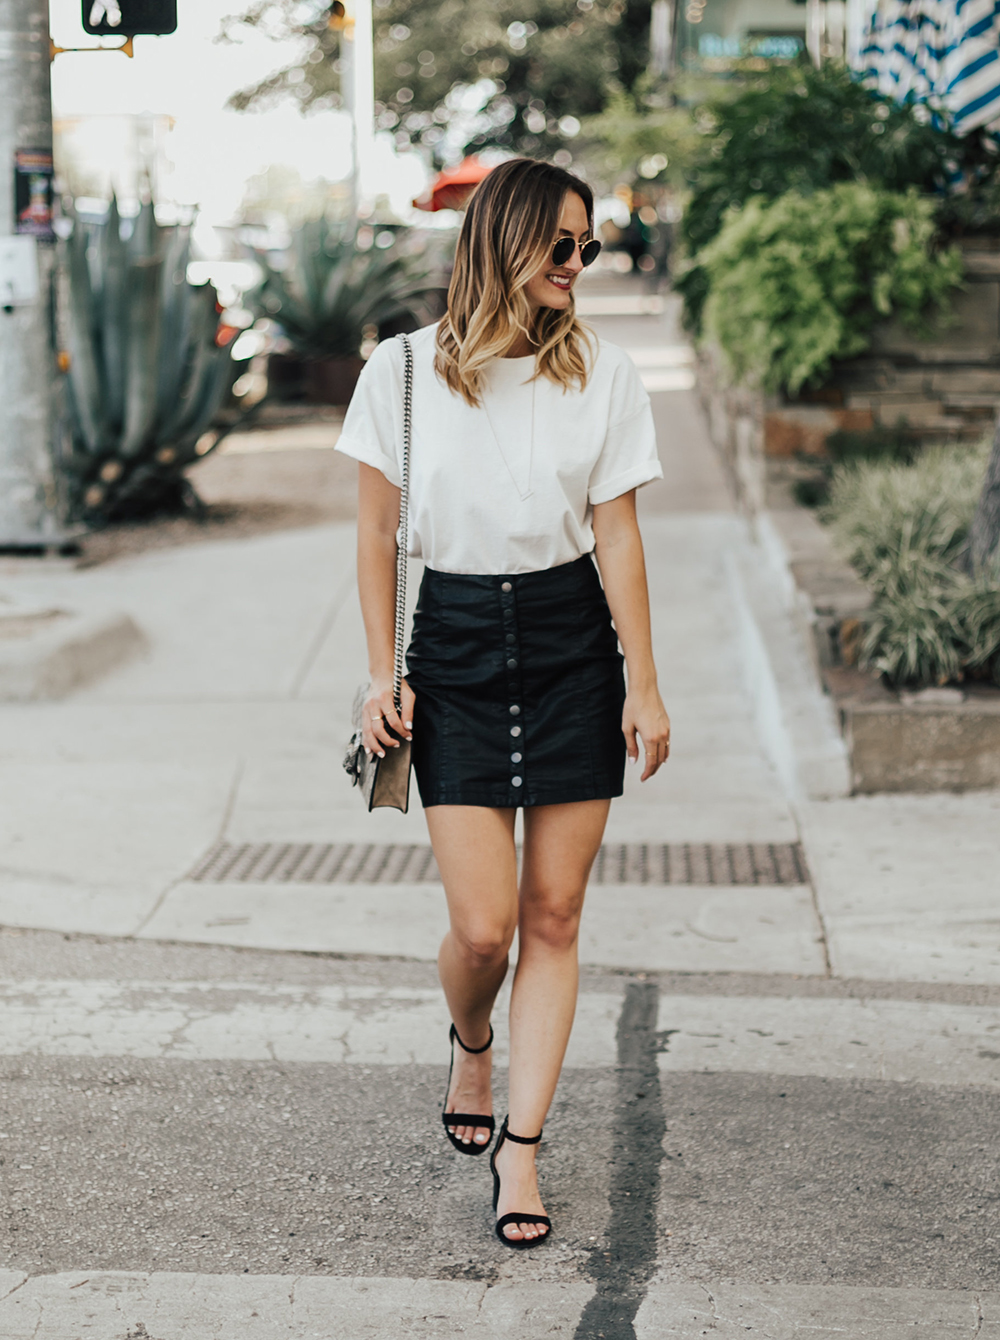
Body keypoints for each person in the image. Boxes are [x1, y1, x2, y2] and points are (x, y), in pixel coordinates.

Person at [336, 157, 671, 1249]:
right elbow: (376, 537)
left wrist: (646, 681)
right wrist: (381, 674)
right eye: (561, 246)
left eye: (589, 247)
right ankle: (469, 1035)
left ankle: (521, 1149)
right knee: (482, 930)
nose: (580, 264)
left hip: (575, 649)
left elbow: (617, 535)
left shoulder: (604, 375)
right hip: (459, 649)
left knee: (553, 917)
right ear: (504, 245)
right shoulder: (397, 375)